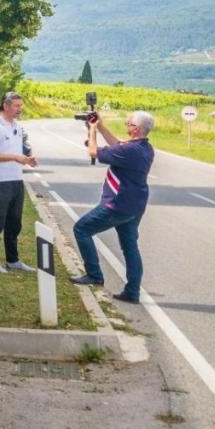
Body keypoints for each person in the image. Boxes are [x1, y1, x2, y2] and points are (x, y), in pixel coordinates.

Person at [71, 110, 156, 303]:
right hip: (135, 205)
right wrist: (100, 125)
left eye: (129, 123)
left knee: (82, 229)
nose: (127, 125)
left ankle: (94, 275)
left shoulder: (130, 151)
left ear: (136, 129)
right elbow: (116, 144)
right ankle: (132, 291)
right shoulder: (144, 148)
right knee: (130, 246)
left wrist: (92, 130)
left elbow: (93, 152)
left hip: (117, 204)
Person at [0, 91, 39, 273]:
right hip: (0, 181)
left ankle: (13, 260)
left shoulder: (17, 126)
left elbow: (16, 150)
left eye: (21, 106)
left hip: (16, 180)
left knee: (15, 222)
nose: (19, 109)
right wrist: (14, 157)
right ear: (6, 106)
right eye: (16, 106)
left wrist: (27, 158)